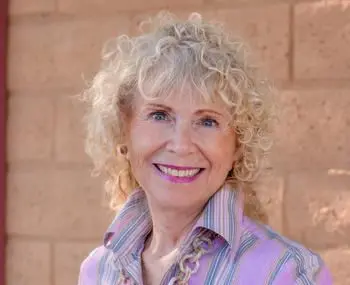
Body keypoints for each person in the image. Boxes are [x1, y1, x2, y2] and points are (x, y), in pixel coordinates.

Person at [78, 12, 332, 285]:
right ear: (123, 133)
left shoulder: (289, 273)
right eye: (160, 115)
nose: (181, 145)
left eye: (208, 121)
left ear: (238, 146)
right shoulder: (98, 270)